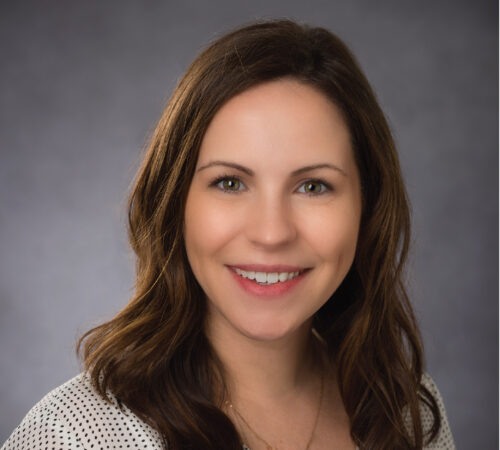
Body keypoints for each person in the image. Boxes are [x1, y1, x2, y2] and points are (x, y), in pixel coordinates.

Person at [2, 19, 455, 450]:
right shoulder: (77, 434)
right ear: (176, 201)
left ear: (368, 206)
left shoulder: (407, 411)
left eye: (313, 186)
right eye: (230, 183)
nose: (272, 233)